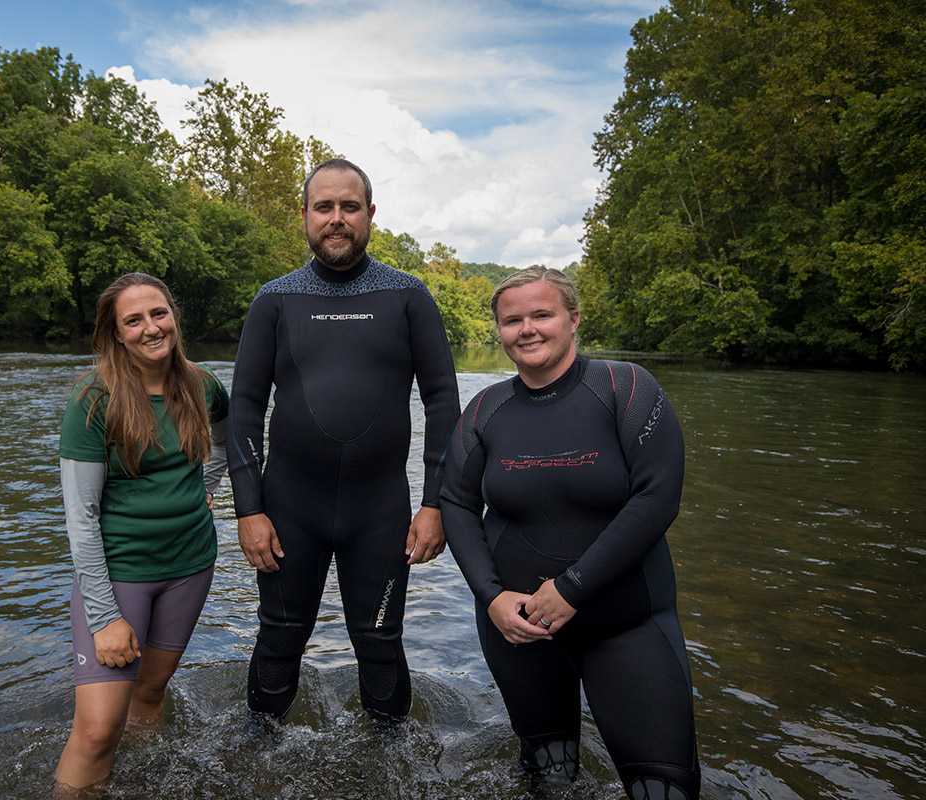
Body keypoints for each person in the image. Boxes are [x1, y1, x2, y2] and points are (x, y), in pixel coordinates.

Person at [439, 267, 700, 799]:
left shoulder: (625, 388)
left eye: (542, 314)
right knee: (547, 779)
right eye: (512, 320)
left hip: (626, 623)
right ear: (499, 331)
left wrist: (571, 589)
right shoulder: (486, 410)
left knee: (664, 787)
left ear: (573, 319)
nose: (527, 329)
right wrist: (489, 597)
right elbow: (456, 504)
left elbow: (657, 498)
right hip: (518, 627)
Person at [226, 158, 461, 721]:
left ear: (370, 215)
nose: (337, 219)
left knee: (380, 644)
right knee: (280, 638)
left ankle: (387, 767)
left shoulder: (408, 297)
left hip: (378, 509)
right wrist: (248, 510)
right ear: (305, 216)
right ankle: (258, 759)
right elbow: (245, 409)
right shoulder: (275, 300)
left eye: (349, 207)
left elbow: (443, 402)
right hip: (288, 510)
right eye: (324, 207)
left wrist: (436, 504)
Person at [53, 273, 229, 794]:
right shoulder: (93, 400)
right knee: (96, 731)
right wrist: (105, 616)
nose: (151, 328)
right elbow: (80, 518)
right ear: (115, 334)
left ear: (174, 316)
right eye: (134, 320)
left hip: (190, 566)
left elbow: (224, 436)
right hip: (121, 573)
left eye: (159, 314)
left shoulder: (202, 384)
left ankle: (139, 787)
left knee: (150, 694)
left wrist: (205, 486)